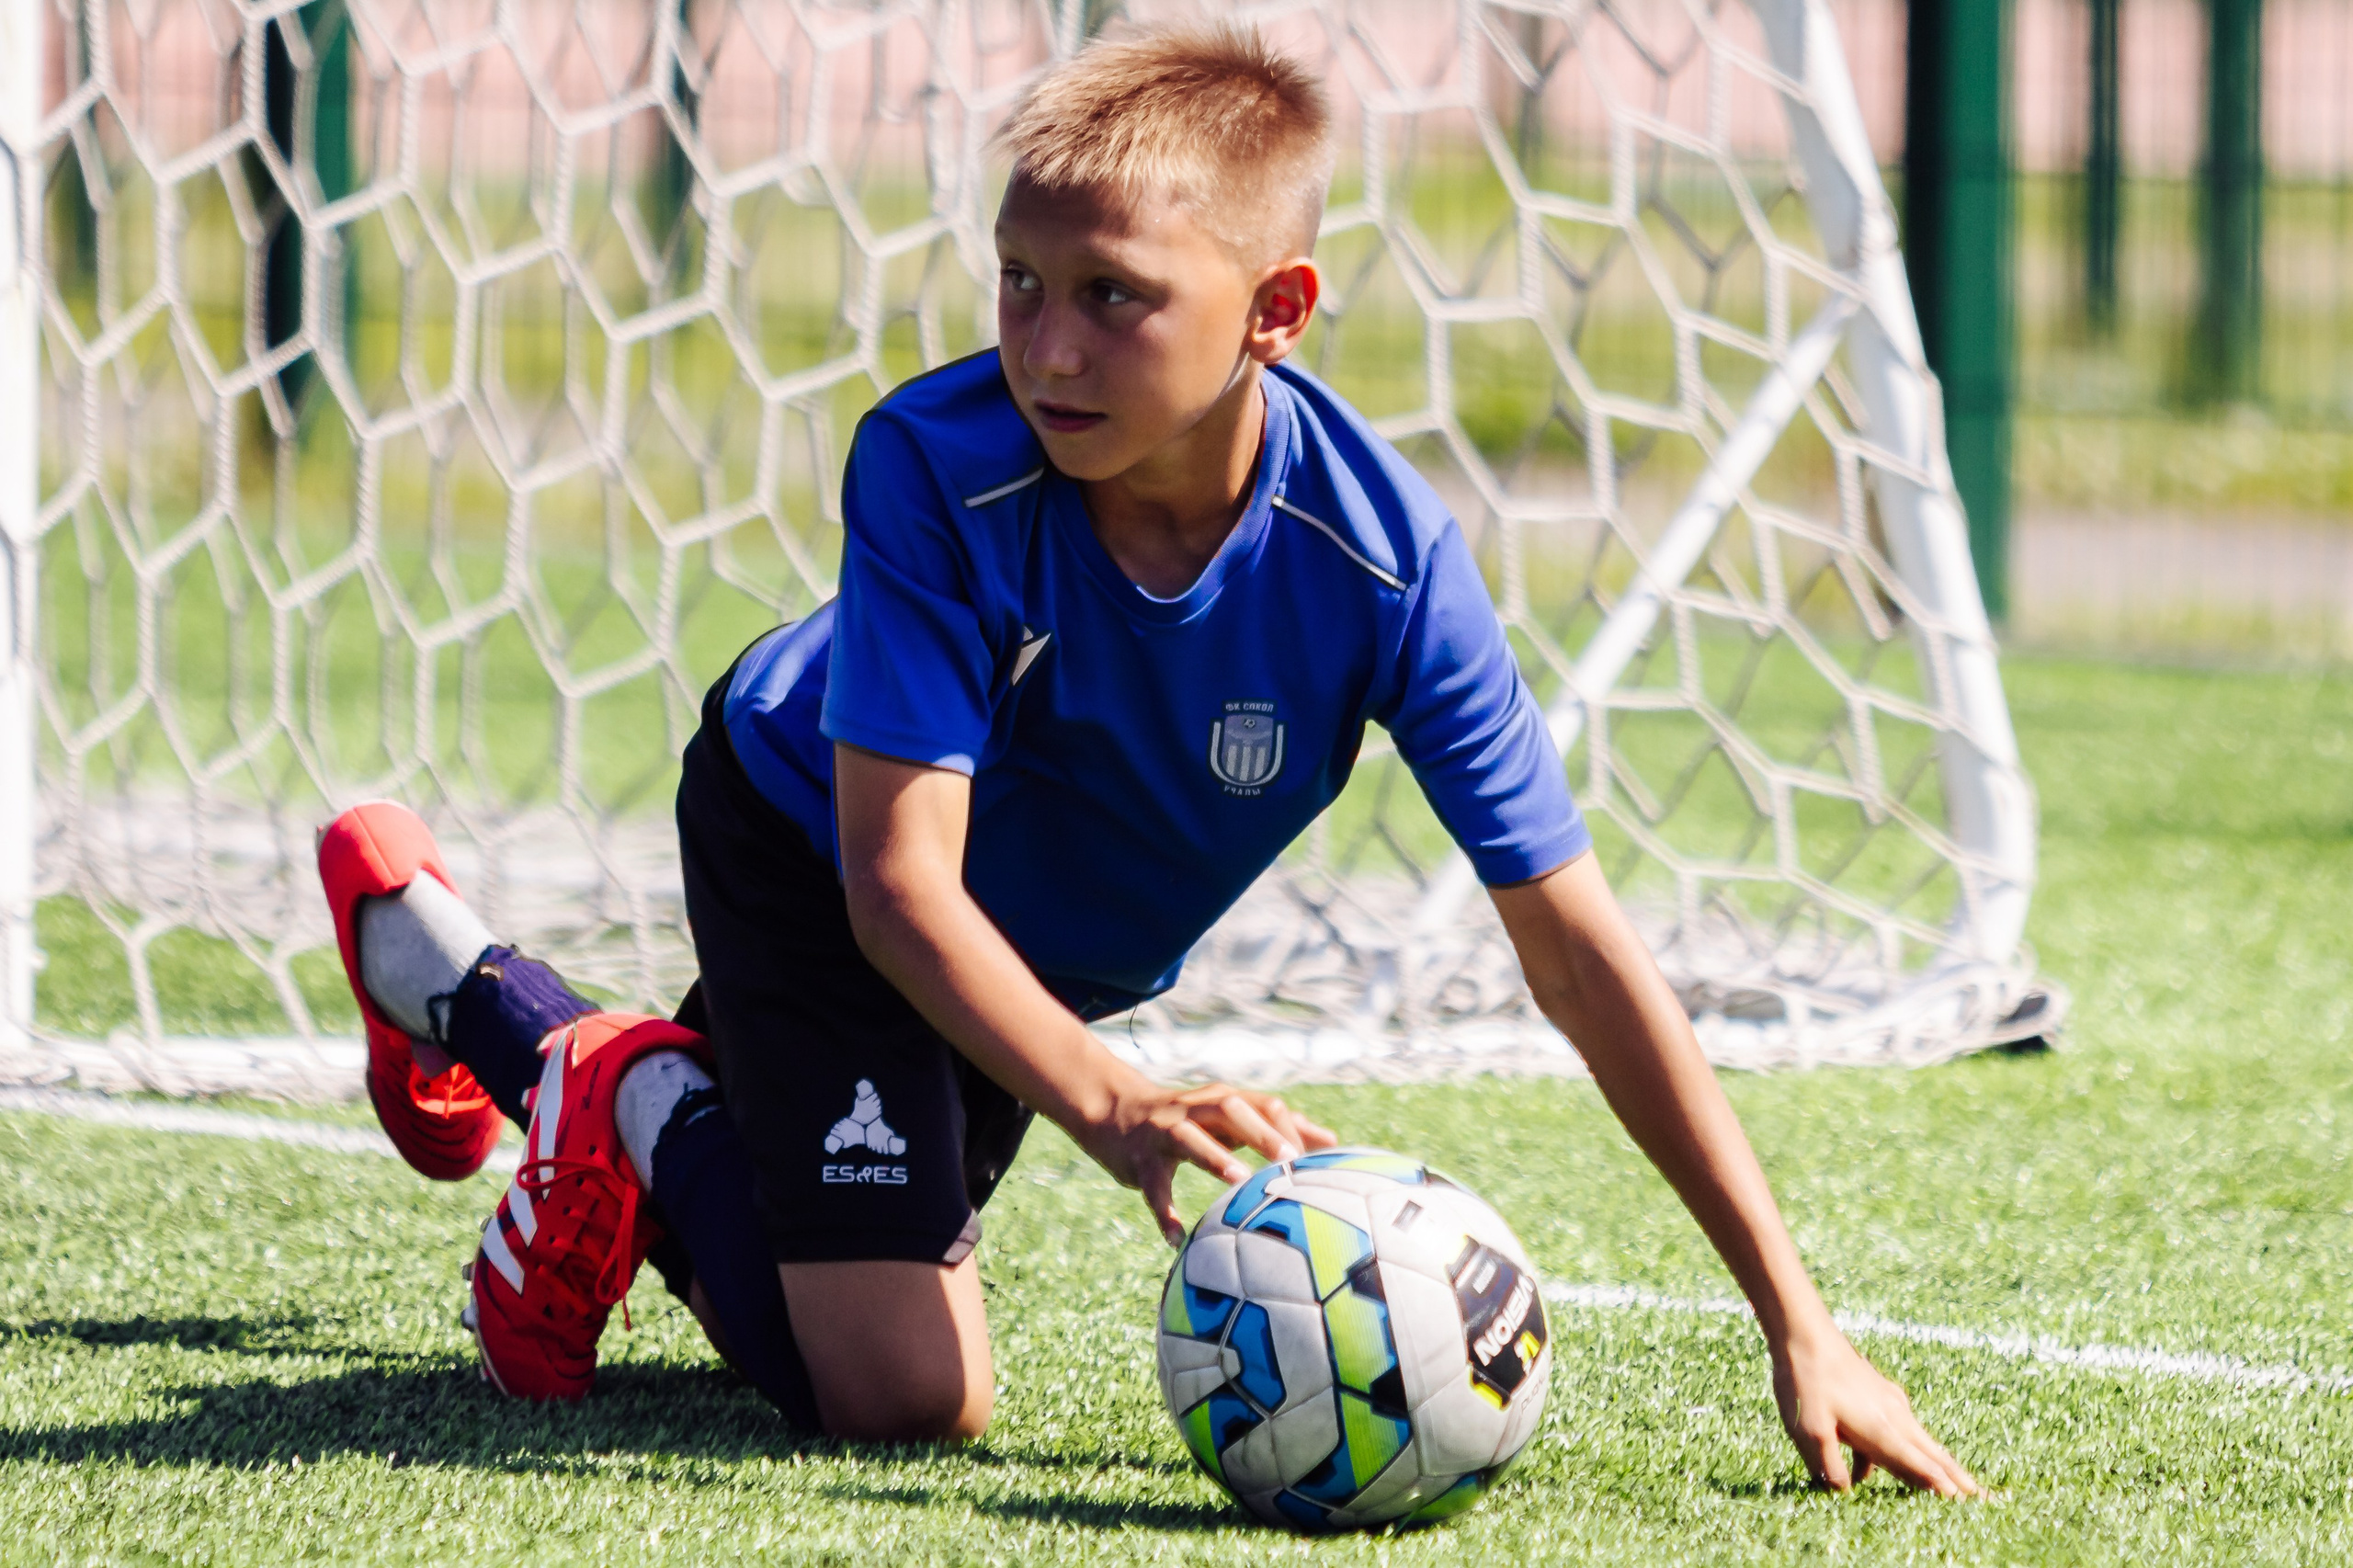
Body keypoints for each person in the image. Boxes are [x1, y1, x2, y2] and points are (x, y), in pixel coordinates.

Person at [315, 24, 1977, 1494]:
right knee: (900, 1392)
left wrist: (1799, 1321)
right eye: (1020, 283)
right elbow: (897, 885)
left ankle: (455, 982)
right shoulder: (935, 463)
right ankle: (617, 1077)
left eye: (1115, 297)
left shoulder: (1384, 563)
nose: (1047, 349)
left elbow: (1578, 950)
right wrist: (1115, 1102)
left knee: (830, 1231)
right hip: (813, 850)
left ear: (1276, 312)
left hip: (1021, 950)